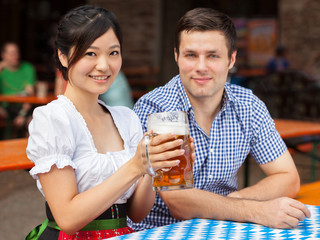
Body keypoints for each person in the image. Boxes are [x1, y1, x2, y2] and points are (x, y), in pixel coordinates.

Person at [130, 7, 311, 231]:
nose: (201, 67)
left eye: (213, 56)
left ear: (231, 59)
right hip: (160, 231)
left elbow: (288, 178)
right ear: (176, 56)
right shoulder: (157, 108)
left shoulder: (248, 106)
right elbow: (180, 202)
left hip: (224, 228)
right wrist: (256, 210)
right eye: (191, 55)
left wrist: (234, 202)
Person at [25, 5, 191, 240]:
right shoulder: (53, 119)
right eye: (90, 53)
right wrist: (134, 166)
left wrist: (153, 166)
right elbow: (68, 219)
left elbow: (136, 212)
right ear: (63, 56)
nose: (104, 65)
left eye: (113, 53)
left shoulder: (126, 118)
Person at [0, 42, 36, 137]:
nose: (16, 56)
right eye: (12, 53)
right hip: (5, 107)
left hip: (23, 107)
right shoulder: (1, 70)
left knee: (34, 124)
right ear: (3, 55)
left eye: (17, 53)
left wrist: (22, 114)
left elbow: (29, 94)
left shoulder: (27, 68)